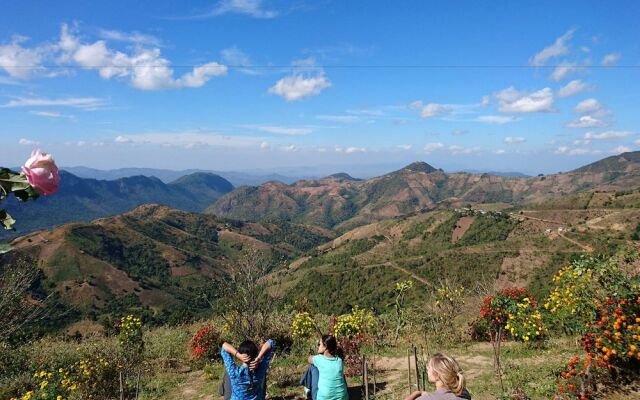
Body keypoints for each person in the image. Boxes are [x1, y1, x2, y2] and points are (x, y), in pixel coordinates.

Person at [404, 353, 471, 400]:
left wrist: (417, 393)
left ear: (437, 375)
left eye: (429, 368)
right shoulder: (465, 394)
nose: (427, 370)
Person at [307, 335, 348, 400]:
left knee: (312, 367)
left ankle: (307, 390)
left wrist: (318, 355)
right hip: (343, 398)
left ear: (325, 346)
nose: (318, 346)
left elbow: (309, 359)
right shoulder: (339, 361)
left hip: (324, 398)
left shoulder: (319, 359)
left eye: (319, 344)